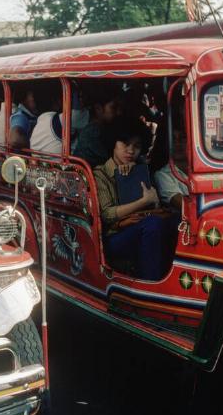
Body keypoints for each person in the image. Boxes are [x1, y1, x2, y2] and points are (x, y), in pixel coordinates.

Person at [94, 121, 177, 281]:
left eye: (137, 146)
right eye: (125, 144)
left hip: (140, 224)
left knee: (176, 222)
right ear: (114, 143)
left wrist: (136, 177)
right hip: (115, 236)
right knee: (153, 225)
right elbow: (107, 214)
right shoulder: (101, 174)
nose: (131, 150)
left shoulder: (141, 169)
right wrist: (143, 201)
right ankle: (150, 283)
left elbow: (155, 204)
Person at [73, 86, 125, 166]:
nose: (118, 112)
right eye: (114, 108)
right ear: (98, 108)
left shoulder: (104, 128)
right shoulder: (92, 132)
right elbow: (108, 161)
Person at [8, 85, 40, 150]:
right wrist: (37, 143)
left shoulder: (30, 114)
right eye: (32, 96)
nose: (34, 99)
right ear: (24, 99)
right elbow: (15, 139)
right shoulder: (20, 116)